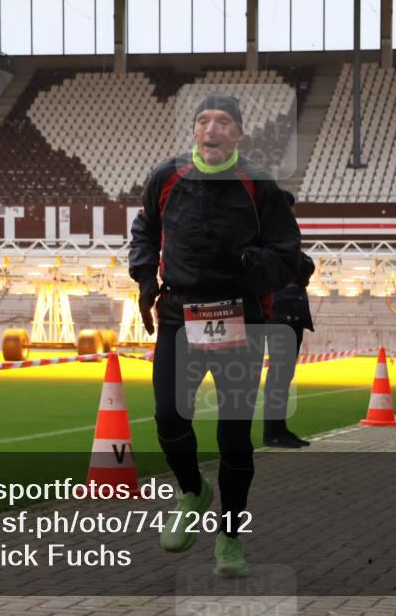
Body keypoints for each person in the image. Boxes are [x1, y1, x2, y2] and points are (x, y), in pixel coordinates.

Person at [129, 92, 301, 577]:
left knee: (233, 438)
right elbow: (145, 230)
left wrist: (251, 262)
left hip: (238, 318)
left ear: (239, 133)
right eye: (204, 120)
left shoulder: (259, 185)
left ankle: (229, 536)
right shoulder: (167, 176)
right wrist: (146, 279)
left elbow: (288, 255)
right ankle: (192, 490)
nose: (212, 129)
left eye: (223, 121)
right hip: (179, 316)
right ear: (194, 131)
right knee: (167, 415)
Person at [262, 191, 315, 448]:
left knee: (282, 375)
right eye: (290, 209)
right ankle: (273, 431)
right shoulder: (275, 236)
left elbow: (304, 266)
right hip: (281, 312)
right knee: (279, 375)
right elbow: (302, 266)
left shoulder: (278, 235)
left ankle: (277, 428)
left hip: (286, 311)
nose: (294, 214)